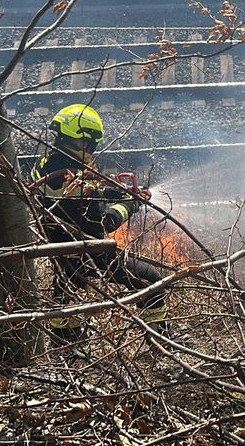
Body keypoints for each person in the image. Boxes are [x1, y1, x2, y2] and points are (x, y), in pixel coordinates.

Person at [30, 103, 167, 344]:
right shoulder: (65, 174)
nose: (91, 148)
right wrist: (130, 204)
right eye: (88, 142)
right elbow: (104, 222)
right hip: (88, 250)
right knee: (151, 280)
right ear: (76, 137)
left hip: (61, 250)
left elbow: (90, 189)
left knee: (68, 294)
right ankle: (162, 344)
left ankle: (65, 345)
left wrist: (120, 191)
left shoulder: (46, 165)